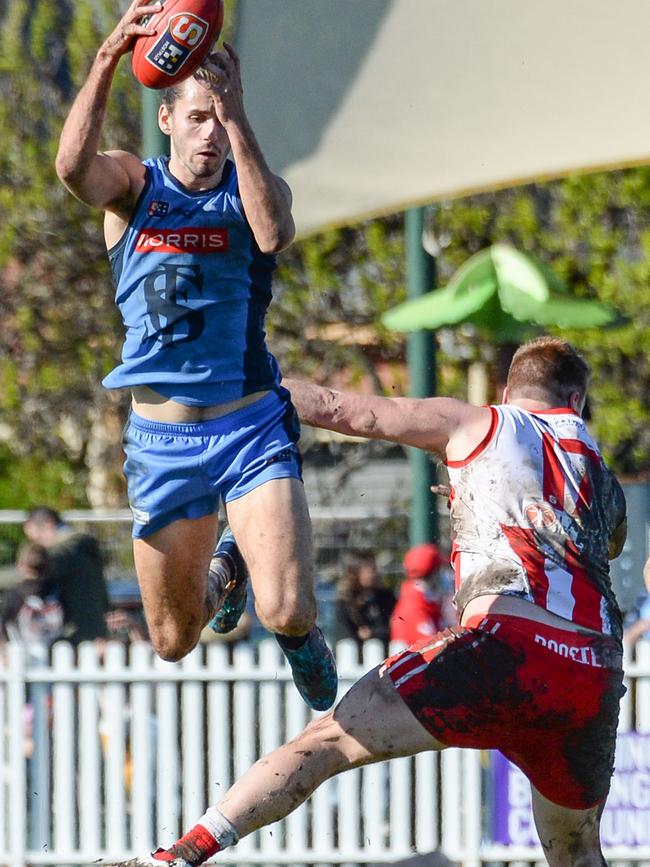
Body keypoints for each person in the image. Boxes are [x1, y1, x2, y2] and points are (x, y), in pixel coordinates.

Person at [111, 337, 627, 867]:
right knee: (578, 850)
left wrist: (249, 392)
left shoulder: (478, 422)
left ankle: (179, 857)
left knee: (329, 741)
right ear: (577, 402)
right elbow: (608, 542)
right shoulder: (601, 475)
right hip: (592, 674)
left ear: (506, 390)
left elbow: (352, 412)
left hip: (506, 650)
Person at [54, 0, 336, 709]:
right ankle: (223, 575)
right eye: (199, 116)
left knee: (290, 610)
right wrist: (106, 59)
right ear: (168, 119)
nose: (209, 132)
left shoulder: (252, 191)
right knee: (174, 638)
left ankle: (298, 634)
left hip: (248, 426)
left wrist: (239, 115)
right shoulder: (135, 188)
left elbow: (273, 233)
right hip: (162, 438)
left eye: (219, 116)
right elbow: (70, 169)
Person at [22, 507, 109, 644]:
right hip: (84, 629)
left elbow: (36, 566)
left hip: (83, 630)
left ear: (47, 524)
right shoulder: (74, 546)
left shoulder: (69, 547)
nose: (37, 545)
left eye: (37, 538)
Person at [390, 543, 455, 646]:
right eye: (440, 569)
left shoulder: (428, 603)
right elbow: (436, 648)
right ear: (432, 575)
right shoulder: (413, 608)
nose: (447, 575)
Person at [0, 541, 63, 646]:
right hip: (55, 655)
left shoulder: (13, 595)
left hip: (19, 655)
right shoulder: (58, 592)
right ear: (49, 566)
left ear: (20, 565)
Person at [335, 549, 396, 648]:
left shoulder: (386, 596)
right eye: (371, 570)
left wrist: (373, 632)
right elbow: (345, 634)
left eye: (375, 569)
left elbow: (394, 626)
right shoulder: (345, 602)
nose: (375, 574)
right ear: (355, 573)